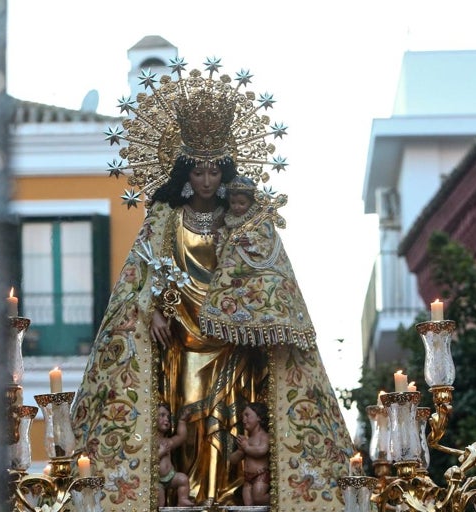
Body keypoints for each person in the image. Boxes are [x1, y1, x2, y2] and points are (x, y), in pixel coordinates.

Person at [71, 62, 353, 512]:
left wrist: (253, 312)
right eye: (198, 172)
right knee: (185, 413)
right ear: (185, 172)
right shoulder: (165, 219)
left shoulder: (244, 222)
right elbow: (137, 281)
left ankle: (224, 494)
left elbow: (268, 278)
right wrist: (154, 312)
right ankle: (188, 496)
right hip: (182, 337)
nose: (206, 181)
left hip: (230, 336)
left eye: (214, 173)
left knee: (230, 416)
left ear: (226, 174)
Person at [200, 176, 315, 347]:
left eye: (241, 203)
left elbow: (268, 239)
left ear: (251, 202)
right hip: (232, 274)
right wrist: (222, 237)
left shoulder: (261, 219)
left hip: (257, 275)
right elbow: (225, 238)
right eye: (233, 203)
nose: (237, 207)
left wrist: (252, 240)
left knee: (262, 300)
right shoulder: (229, 220)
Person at [228, 402, 270, 506]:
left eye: (247, 415)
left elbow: (262, 450)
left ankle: (280, 497)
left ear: (259, 417)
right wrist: (241, 451)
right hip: (247, 478)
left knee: (258, 499)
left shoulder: (264, 436)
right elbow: (233, 460)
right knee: (248, 505)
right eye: (242, 417)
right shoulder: (247, 440)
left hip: (260, 475)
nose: (243, 420)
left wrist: (246, 447)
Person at [156, 403, 195, 507]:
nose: (167, 419)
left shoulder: (167, 441)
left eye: (168, 417)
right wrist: (160, 452)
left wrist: (182, 421)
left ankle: (182, 499)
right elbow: (146, 460)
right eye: (162, 415)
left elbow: (181, 437)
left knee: (183, 479)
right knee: (160, 501)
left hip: (170, 476)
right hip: (156, 480)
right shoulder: (150, 442)